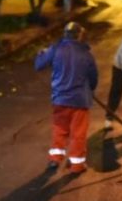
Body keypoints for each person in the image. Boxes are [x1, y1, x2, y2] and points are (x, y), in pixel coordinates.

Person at [34, 21, 99, 174]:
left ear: (65, 35)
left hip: (60, 99)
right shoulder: (86, 54)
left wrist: (41, 54)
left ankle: (55, 158)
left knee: (60, 129)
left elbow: (39, 65)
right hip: (79, 100)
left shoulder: (55, 49)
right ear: (79, 35)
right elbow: (93, 77)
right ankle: (77, 165)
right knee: (78, 133)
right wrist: (91, 89)